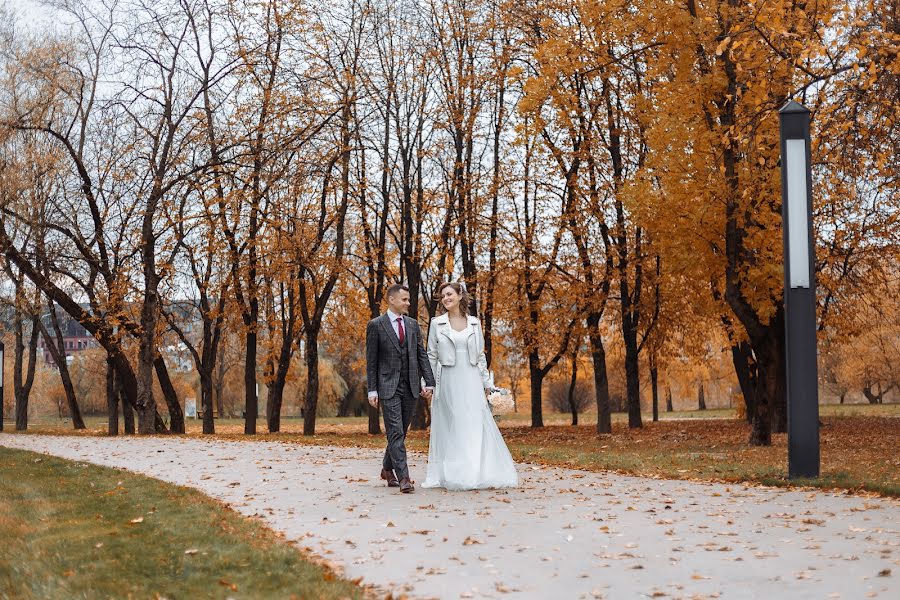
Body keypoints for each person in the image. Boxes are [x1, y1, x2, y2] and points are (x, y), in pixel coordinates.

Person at [422, 281, 518, 491]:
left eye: (449, 294)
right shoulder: (437, 323)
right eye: (443, 295)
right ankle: (456, 473)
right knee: (455, 421)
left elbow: (480, 356)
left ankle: (476, 472)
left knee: (475, 422)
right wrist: (428, 383)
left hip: (472, 377)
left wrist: (487, 383)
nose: (446, 298)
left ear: (459, 296)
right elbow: (431, 355)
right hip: (448, 378)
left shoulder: (474, 323)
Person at [366, 283, 436, 493]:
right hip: (387, 387)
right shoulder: (376, 325)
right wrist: (372, 389)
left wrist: (429, 381)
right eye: (404, 299)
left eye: (408, 299)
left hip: (411, 386)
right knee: (395, 430)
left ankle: (387, 468)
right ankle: (403, 477)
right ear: (392, 300)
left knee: (401, 430)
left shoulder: (413, 325)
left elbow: (421, 354)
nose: (408, 303)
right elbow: (372, 360)